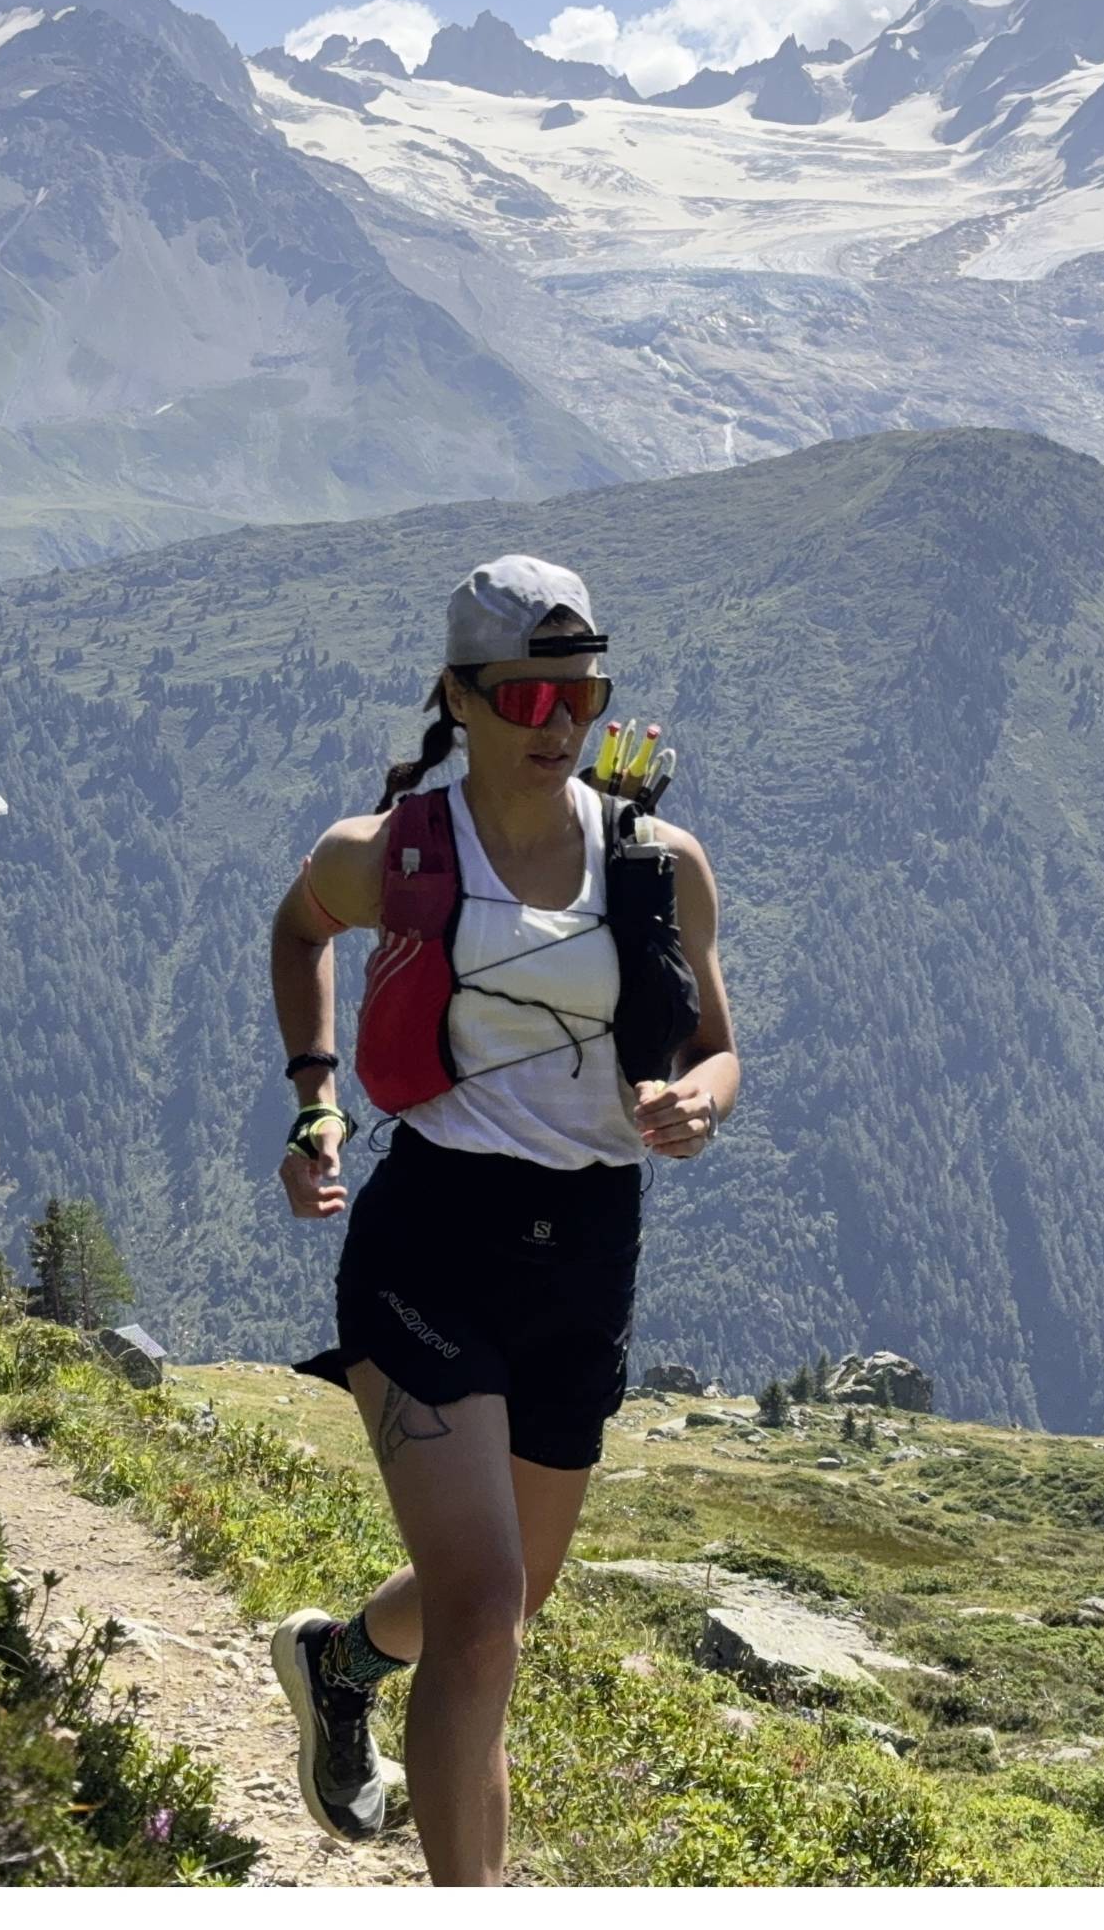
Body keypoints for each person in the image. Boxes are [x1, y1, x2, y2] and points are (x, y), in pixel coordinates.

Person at [261, 554, 740, 1885]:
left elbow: (718, 1045)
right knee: (484, 1618)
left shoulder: (658, 865)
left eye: (579, 694)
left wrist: (699, 1100)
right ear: (458, 699)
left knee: (512, 1592)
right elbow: (298, 935)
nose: (558, 724)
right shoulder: (392, 857)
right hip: (433, 1237)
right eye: (525, 695)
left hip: (588, 1255)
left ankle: (337, 1660)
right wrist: (318, 1105)